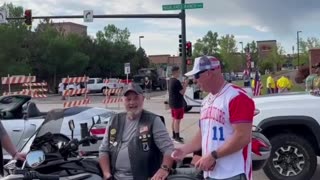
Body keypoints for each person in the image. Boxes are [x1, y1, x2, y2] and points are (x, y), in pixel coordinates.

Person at [171, 55, 255, 180]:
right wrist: (184, 150)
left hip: (233, 173)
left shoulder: (236, 97)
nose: (195, 80)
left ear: (209, 73)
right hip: (211, 172)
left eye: (197, 76)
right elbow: (202, 135)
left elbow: (243, 137)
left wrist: (213, 156)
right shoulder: (206, 101)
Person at [98, 83, 174, 180]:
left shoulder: (153, 120)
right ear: (122, 100)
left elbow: (169, 149)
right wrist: (106, 174)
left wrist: (164, 169)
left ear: (142, 99)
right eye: (128, 99)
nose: (132, 102)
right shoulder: (114, 120)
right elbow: (103, 150)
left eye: (136, 98)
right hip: (115, 177)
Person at [168, 66, 188, 143]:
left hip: (172, 103)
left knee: (174, 119)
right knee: (177, 120)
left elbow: (177, 90)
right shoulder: (176, 81)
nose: (179, 73)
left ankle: (174, 135)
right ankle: (177, 136)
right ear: (175, 72)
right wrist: (185, 84)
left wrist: (182, 85)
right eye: (178, 72)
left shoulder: (171, 80)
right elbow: (182, 92)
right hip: (177, 103)